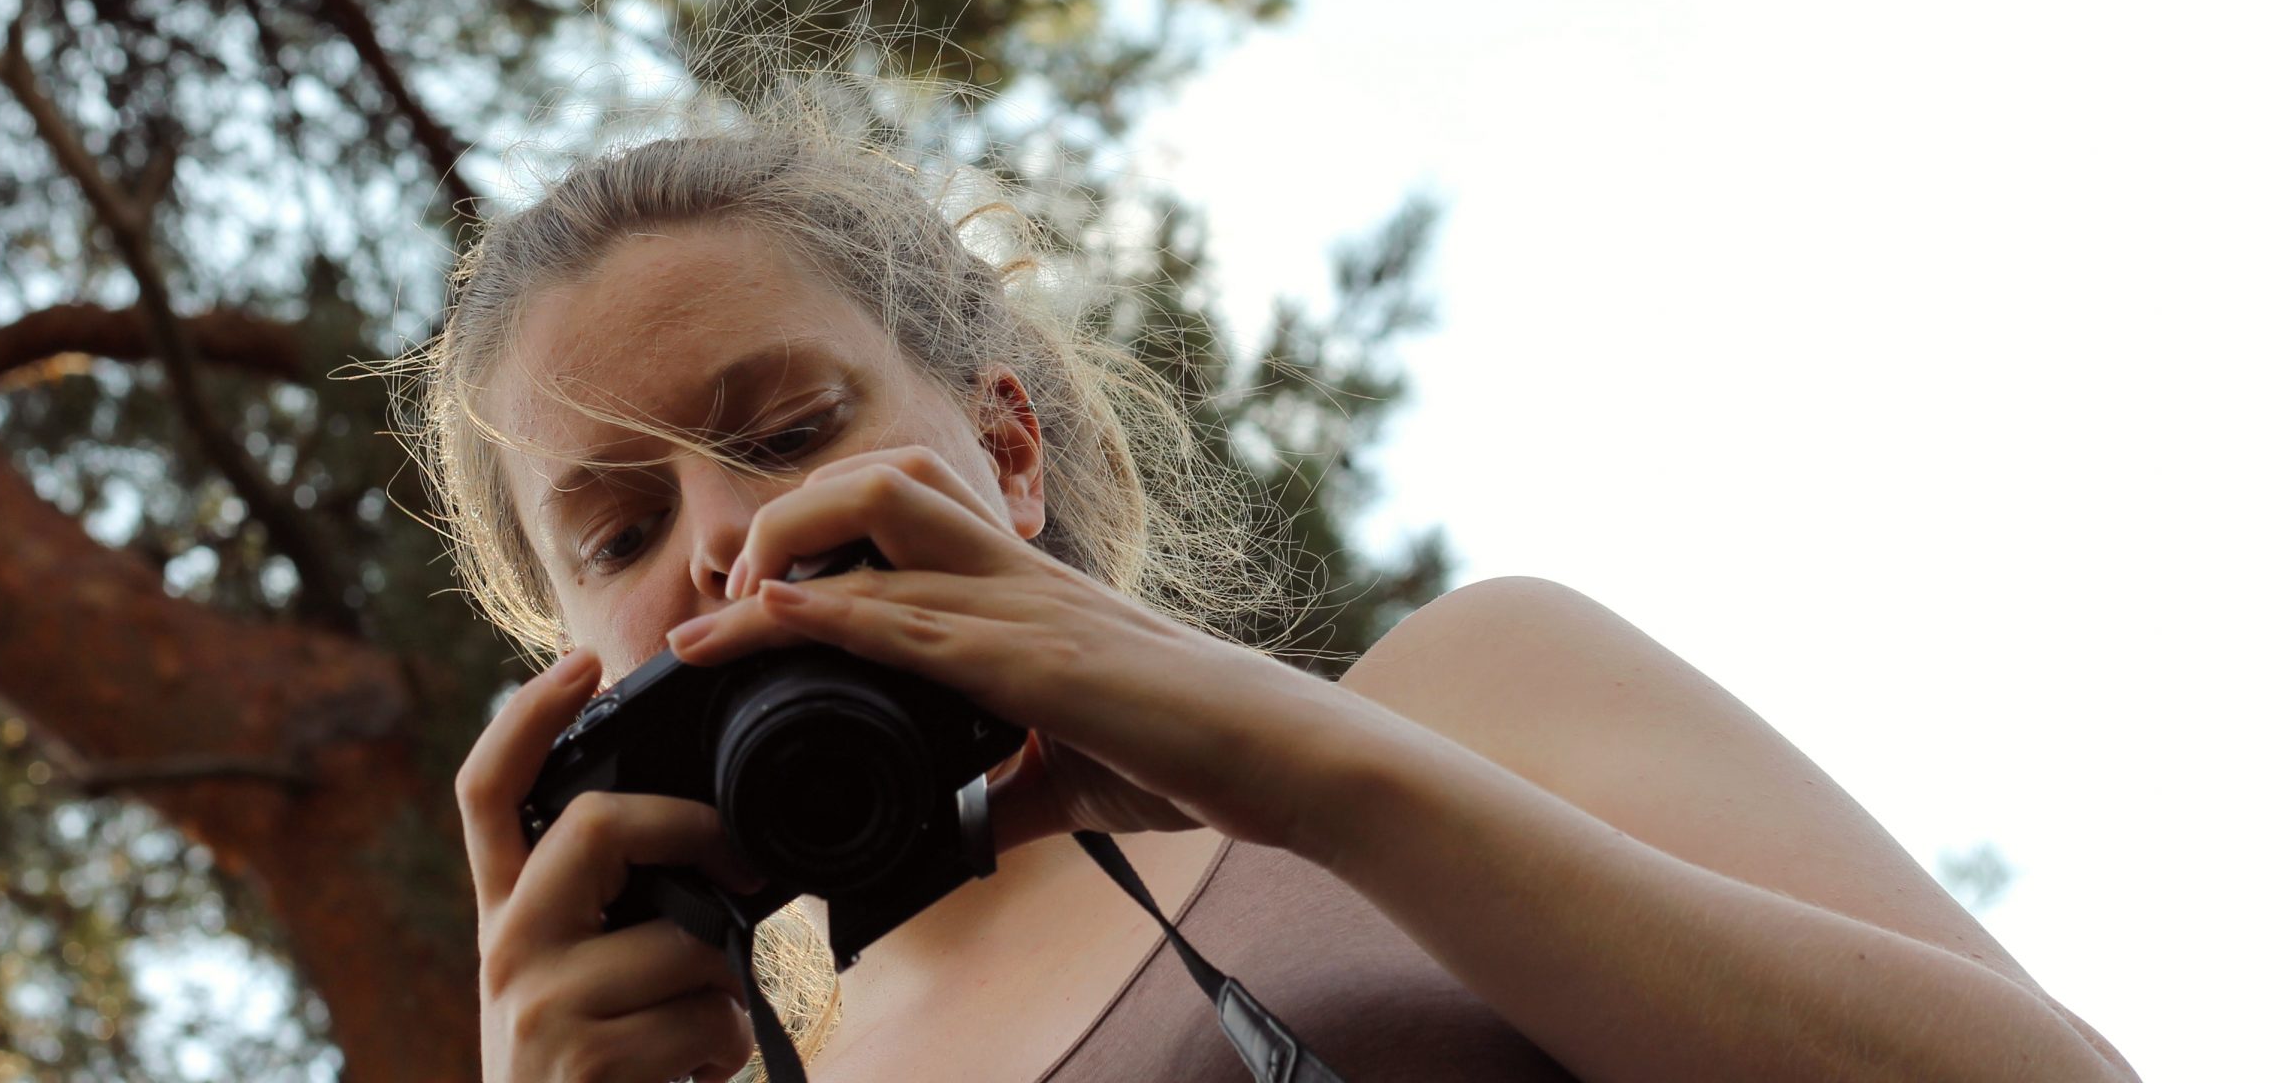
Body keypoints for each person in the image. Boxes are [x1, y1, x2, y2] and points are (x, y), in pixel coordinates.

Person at [409, 111, 2139, 1083]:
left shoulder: (1479, 698)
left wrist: (1323, 784)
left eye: (791, 432)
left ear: (1006, 450)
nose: (723, 537)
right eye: (619, 534)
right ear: (573, 660)